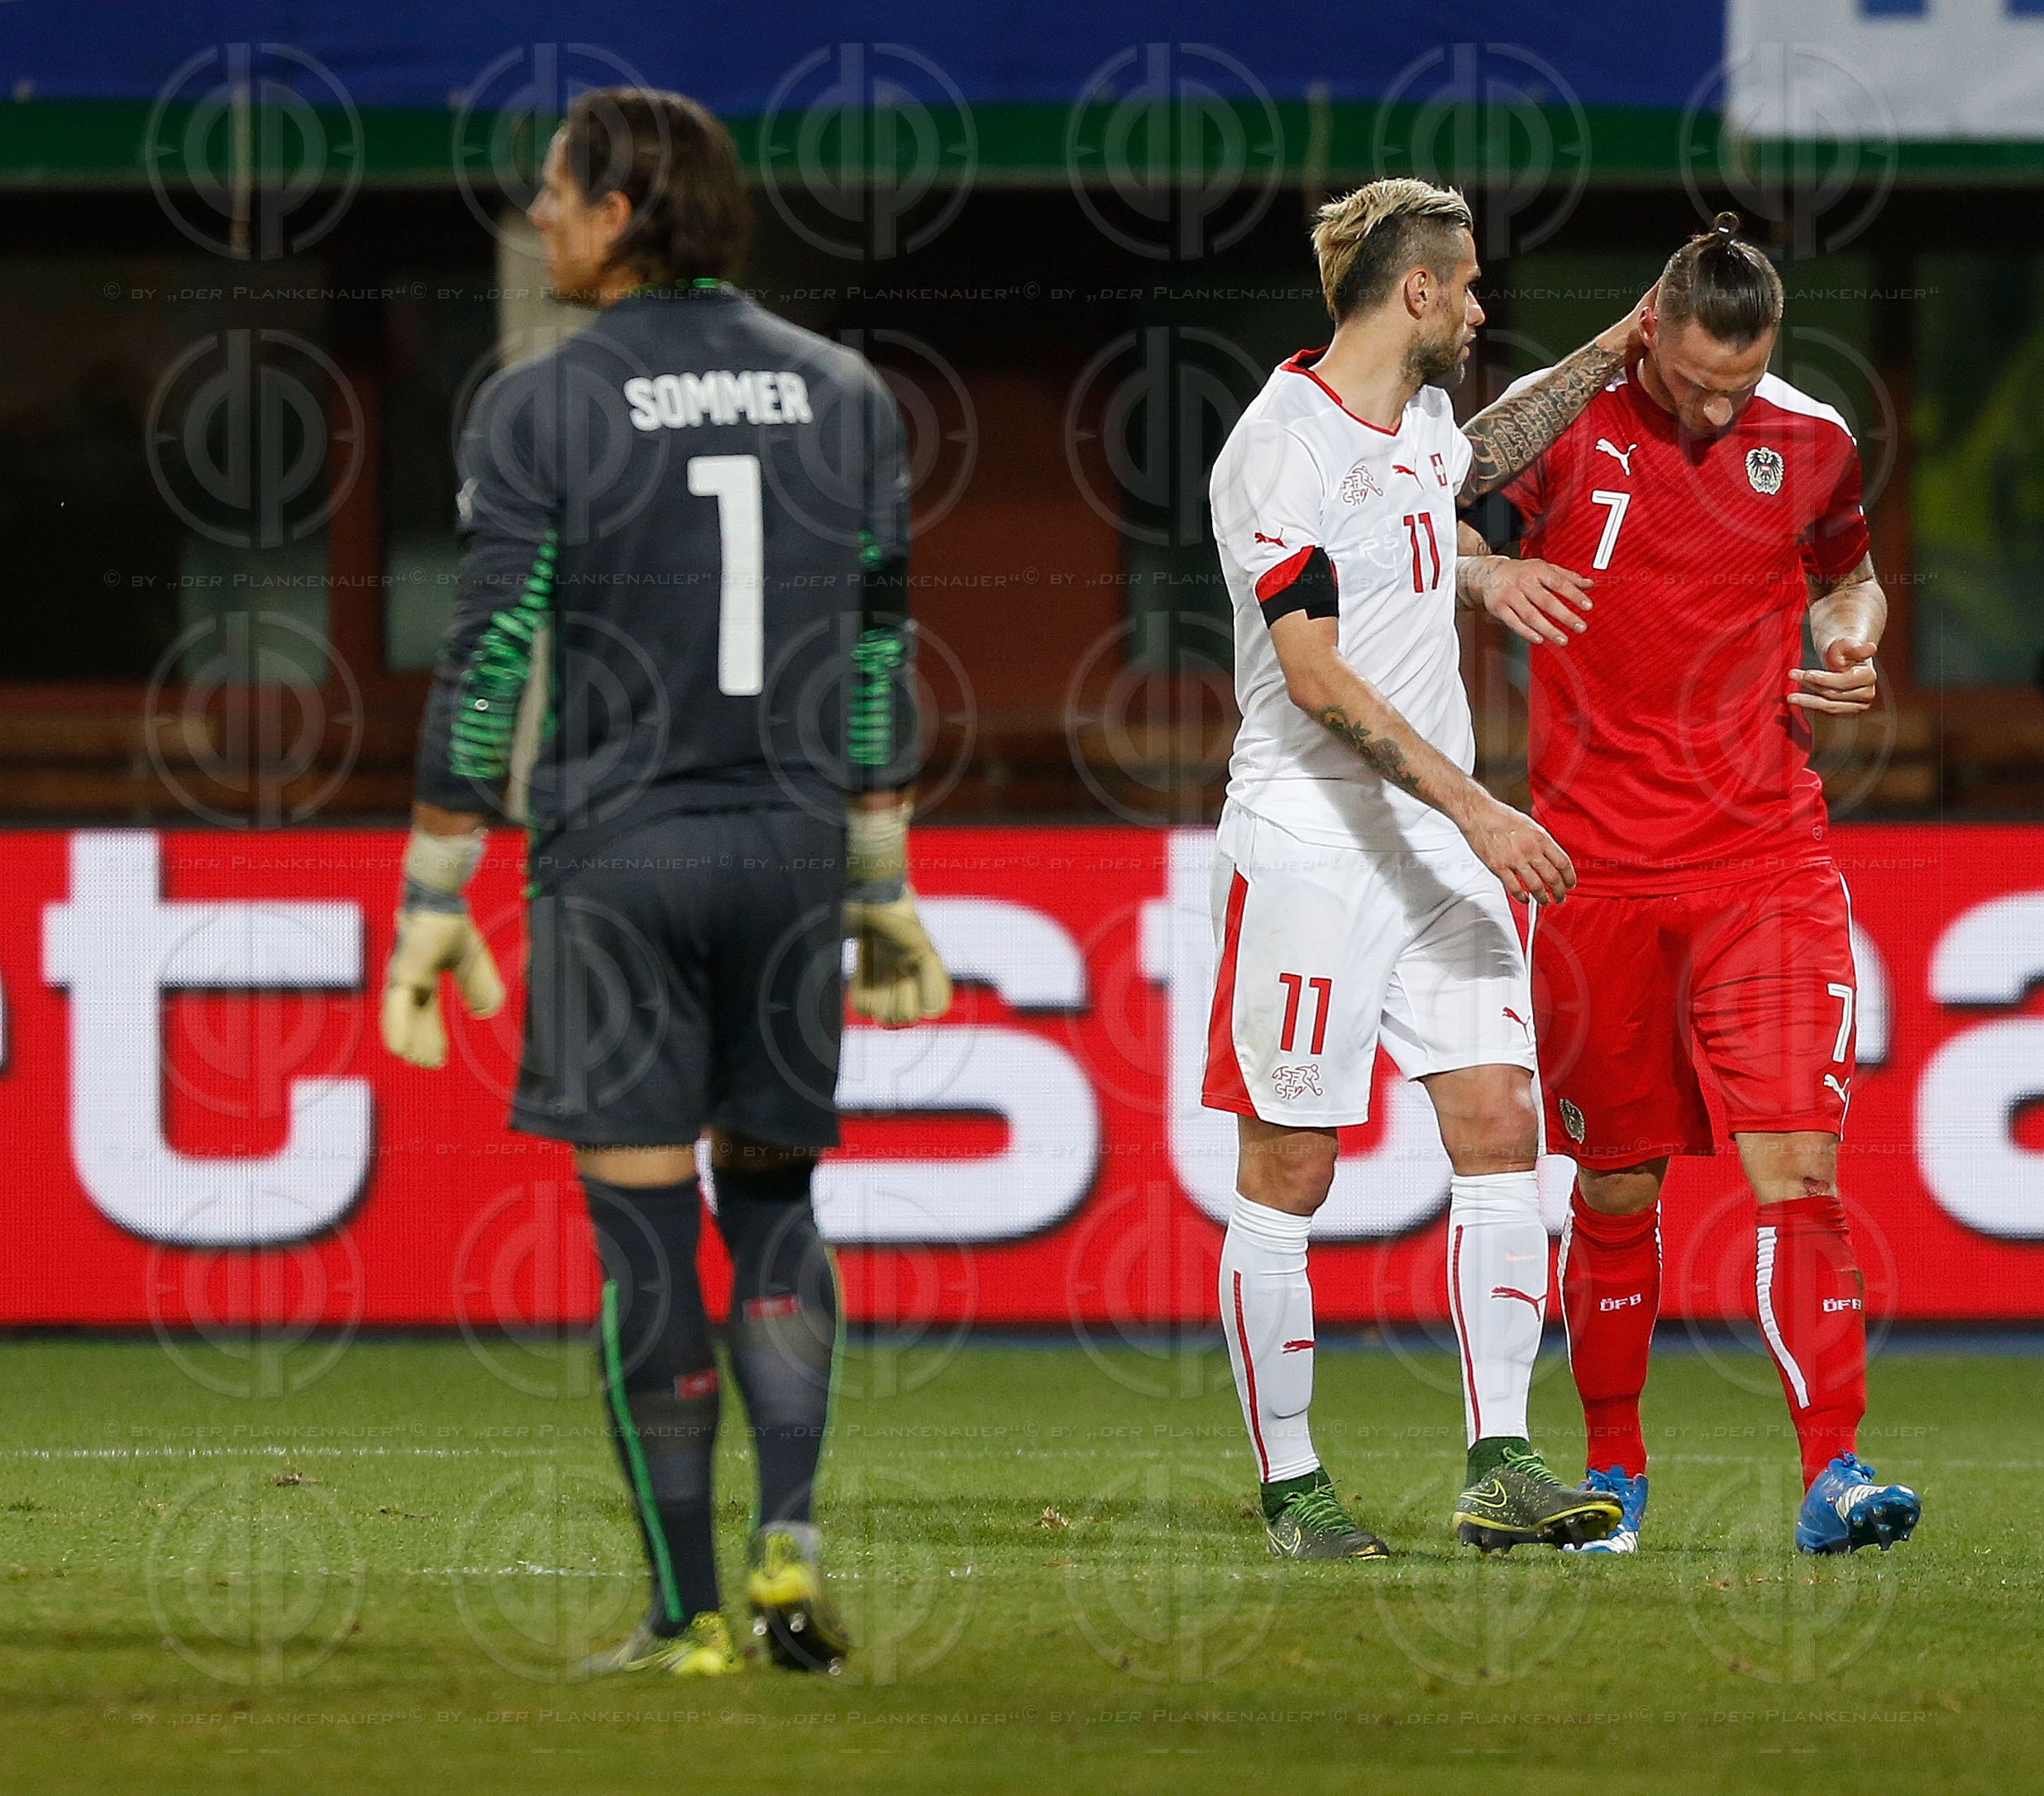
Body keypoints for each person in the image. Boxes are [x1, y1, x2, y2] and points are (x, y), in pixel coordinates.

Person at [379, 86, 953, 1676]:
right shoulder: (847, 394)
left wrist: (436, 890)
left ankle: (686, 1612)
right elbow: (883, 649)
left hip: (618, 867)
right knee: (775, 1214)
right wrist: (881, 866)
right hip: (785, 860)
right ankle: (793, 1551)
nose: (540, 217)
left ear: (622, 211)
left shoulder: (539, 404)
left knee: (644, 1250)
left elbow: (491, 654)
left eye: (556, 193)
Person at [1206, 176, 1650, 1557]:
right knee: (1292, 1163)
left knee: (1501, 1130)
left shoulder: (1423, 424)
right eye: (1462, 286)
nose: (1475, 306)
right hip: (1315, 834)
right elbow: (1317, 673)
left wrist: (1621, 343)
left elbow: (1473, 469)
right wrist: (1480, 811)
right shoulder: (1276, 449)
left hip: (1439, 841)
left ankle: (1499, 1463)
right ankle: (1293, 1487)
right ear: (1414, 291)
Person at [1492, 213, 1921, 1556]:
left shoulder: (1812, 437)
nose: (1718, 403)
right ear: (1650, 328)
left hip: (1763, 862)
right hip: (1593, 872)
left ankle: (1835, 1472)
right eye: (1693, 380)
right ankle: (1613, 1473)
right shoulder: (1564, 420)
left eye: (1742, 379)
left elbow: (1851, 581)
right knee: (1615, 1188)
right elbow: (1428, 501)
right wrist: (1488, 564)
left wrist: (1850, 644)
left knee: (1798, 1162)